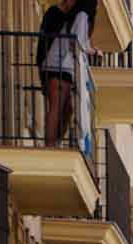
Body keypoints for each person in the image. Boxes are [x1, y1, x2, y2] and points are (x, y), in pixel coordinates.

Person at [35, 0, 92, 147]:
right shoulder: (82, 15)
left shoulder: (69, 15)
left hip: (53, 65)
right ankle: (51, 146)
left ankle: (55, 142)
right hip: (60, 66)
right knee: (56, 107)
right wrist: (90, 51)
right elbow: (77, 43)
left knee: (66, 108)